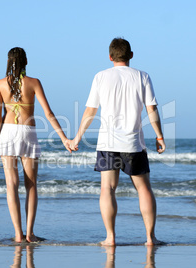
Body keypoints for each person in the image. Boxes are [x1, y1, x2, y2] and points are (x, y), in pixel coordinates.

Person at [70, 38, 166, 246]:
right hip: (133, 144)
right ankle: (150, 238)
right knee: (143, 189)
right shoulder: (142, 76)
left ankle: (110, 238)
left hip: (107, 143)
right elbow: (152, 109)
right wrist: (159, 136)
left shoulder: (101, 76)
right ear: (131, 55)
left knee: (107, 189)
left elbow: (90, 111)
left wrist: (77, 138)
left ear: (110, 57)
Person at [0, 47, 71, 243]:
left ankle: (18, 234)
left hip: (8, 134)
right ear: (26, 62)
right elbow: (49, 113)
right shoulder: (34, 83)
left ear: (8, 63)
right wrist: (63, 138)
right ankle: (30, 233)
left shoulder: (0, 84)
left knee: (11, 185)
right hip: (28, 134)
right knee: (31, 185)